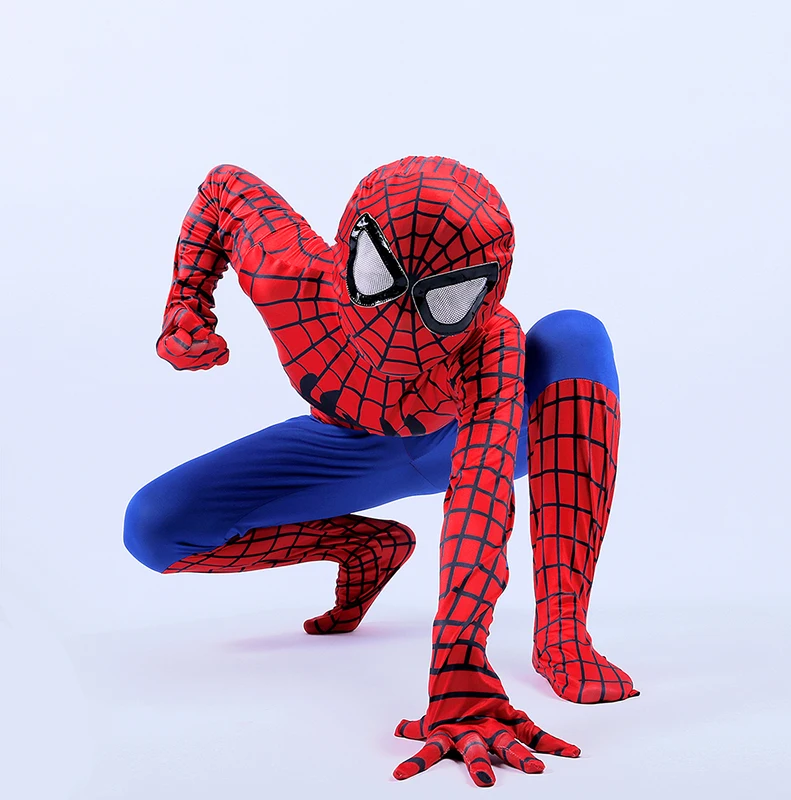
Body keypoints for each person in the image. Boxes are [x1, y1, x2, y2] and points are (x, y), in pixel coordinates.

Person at [124, 157, 637, 785]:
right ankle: (366, 546)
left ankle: (562, 629)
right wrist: (185, 305)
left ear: (486, 296)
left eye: (445, 299)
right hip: (343, 448)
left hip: (470, 433)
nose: (398, 322)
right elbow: (223, 189)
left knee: (573, 336)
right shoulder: (288, 271)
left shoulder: (491, 344)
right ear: (348, 244)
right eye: (377, 274)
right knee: (154, 527)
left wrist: (460, 672)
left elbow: (481, 498)